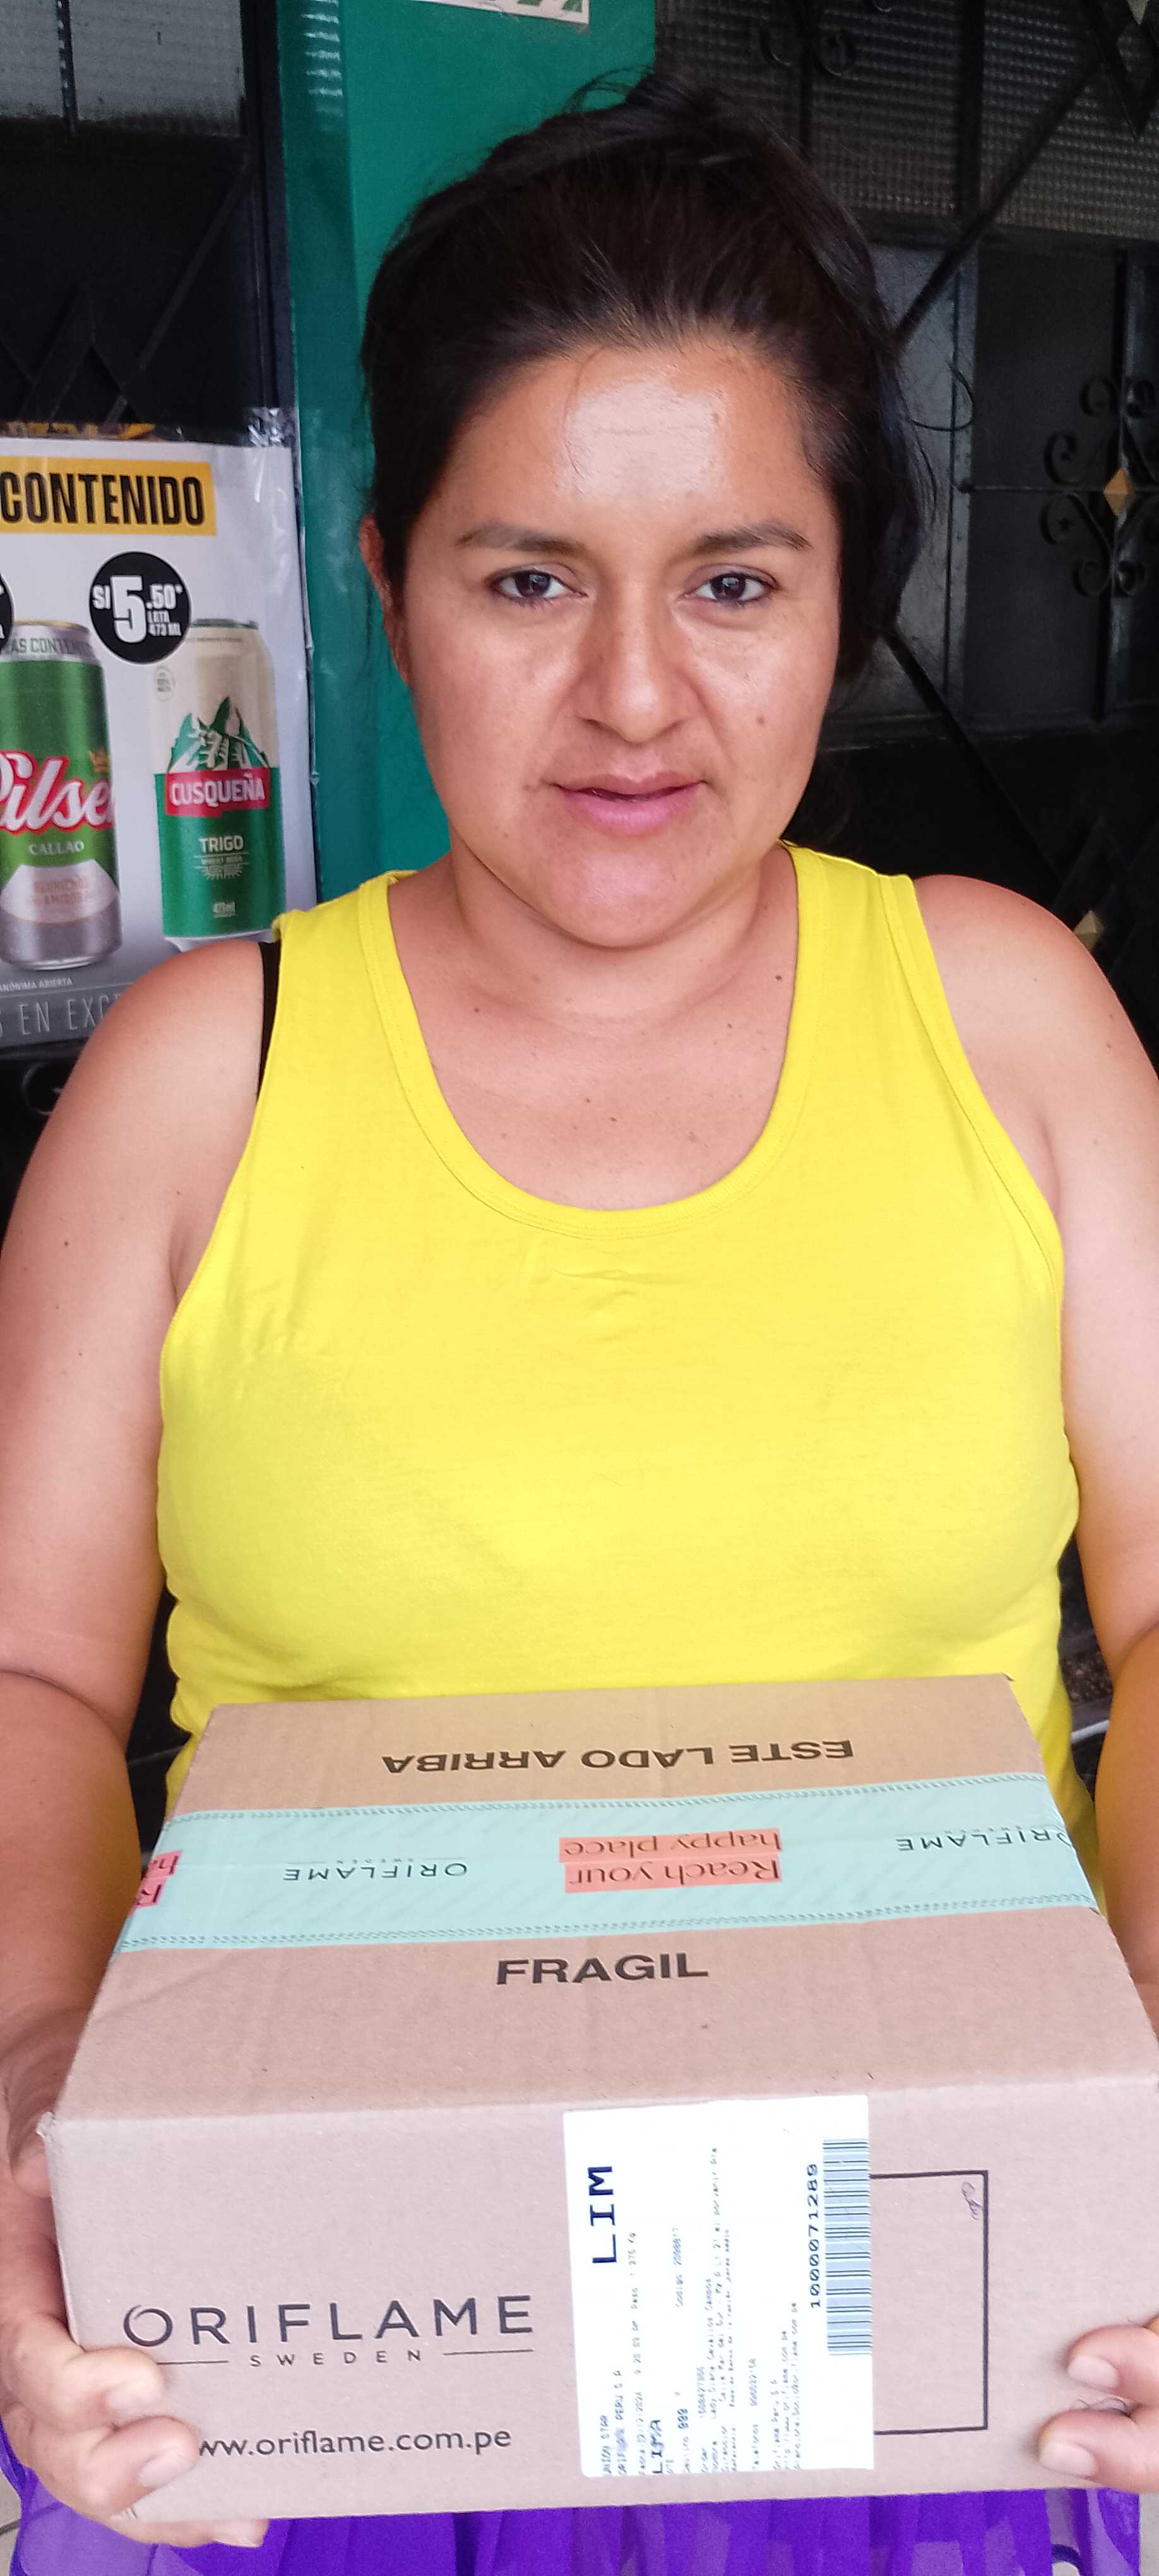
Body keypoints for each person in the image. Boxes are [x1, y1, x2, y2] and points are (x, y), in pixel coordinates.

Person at [1, 64, 1158, 2576]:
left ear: (847, 598)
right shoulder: (202, 1080)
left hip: (947, 2316)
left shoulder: (1008, 1025)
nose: (635, 697)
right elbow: (34, 1683)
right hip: (303, 2341)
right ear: (388, 573)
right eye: (529, 582)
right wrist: (28, 2083)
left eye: (733, 584)